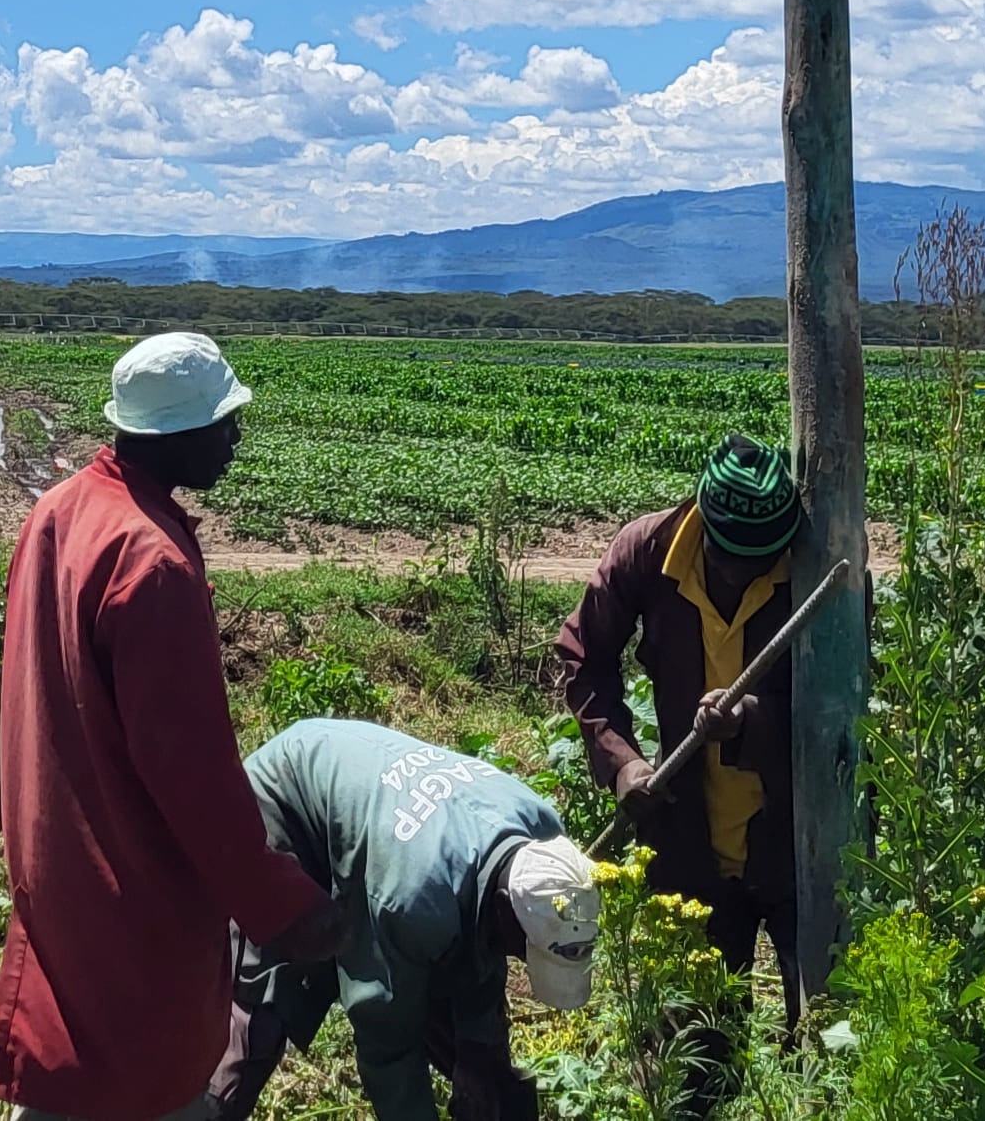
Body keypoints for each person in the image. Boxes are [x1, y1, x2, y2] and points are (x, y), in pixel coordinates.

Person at [0, 333, 349, 1121]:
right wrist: (285, 907)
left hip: (55, 859)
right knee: (141, 1072)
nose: (234, 437)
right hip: (133, 888)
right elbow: (194, 781)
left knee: (68, 1049)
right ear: (174, 435)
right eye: (222, 422)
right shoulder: (152, 563)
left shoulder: (59, 512)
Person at [550, 434, 812, 1106]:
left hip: (797, 840)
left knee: (823, 1050)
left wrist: (753, 720)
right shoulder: (647, 551)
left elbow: (840, 707)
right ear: (704, 527)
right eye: (729, 560)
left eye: (760, 564)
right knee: (694, 1058)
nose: (740, 576)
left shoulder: (820, 568)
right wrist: (624, 765)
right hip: (686, 836)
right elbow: (584, 659)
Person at [210, 718, 601, 1121]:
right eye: (524, 950)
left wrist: (475, 1048)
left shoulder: (546, 841)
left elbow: (482, 937)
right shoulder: (409, 901)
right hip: (290, 801)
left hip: (389, 833)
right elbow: (386, 1042)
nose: (518, 960)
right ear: (504, 907)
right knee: (261, 1016)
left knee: (487, 1071)